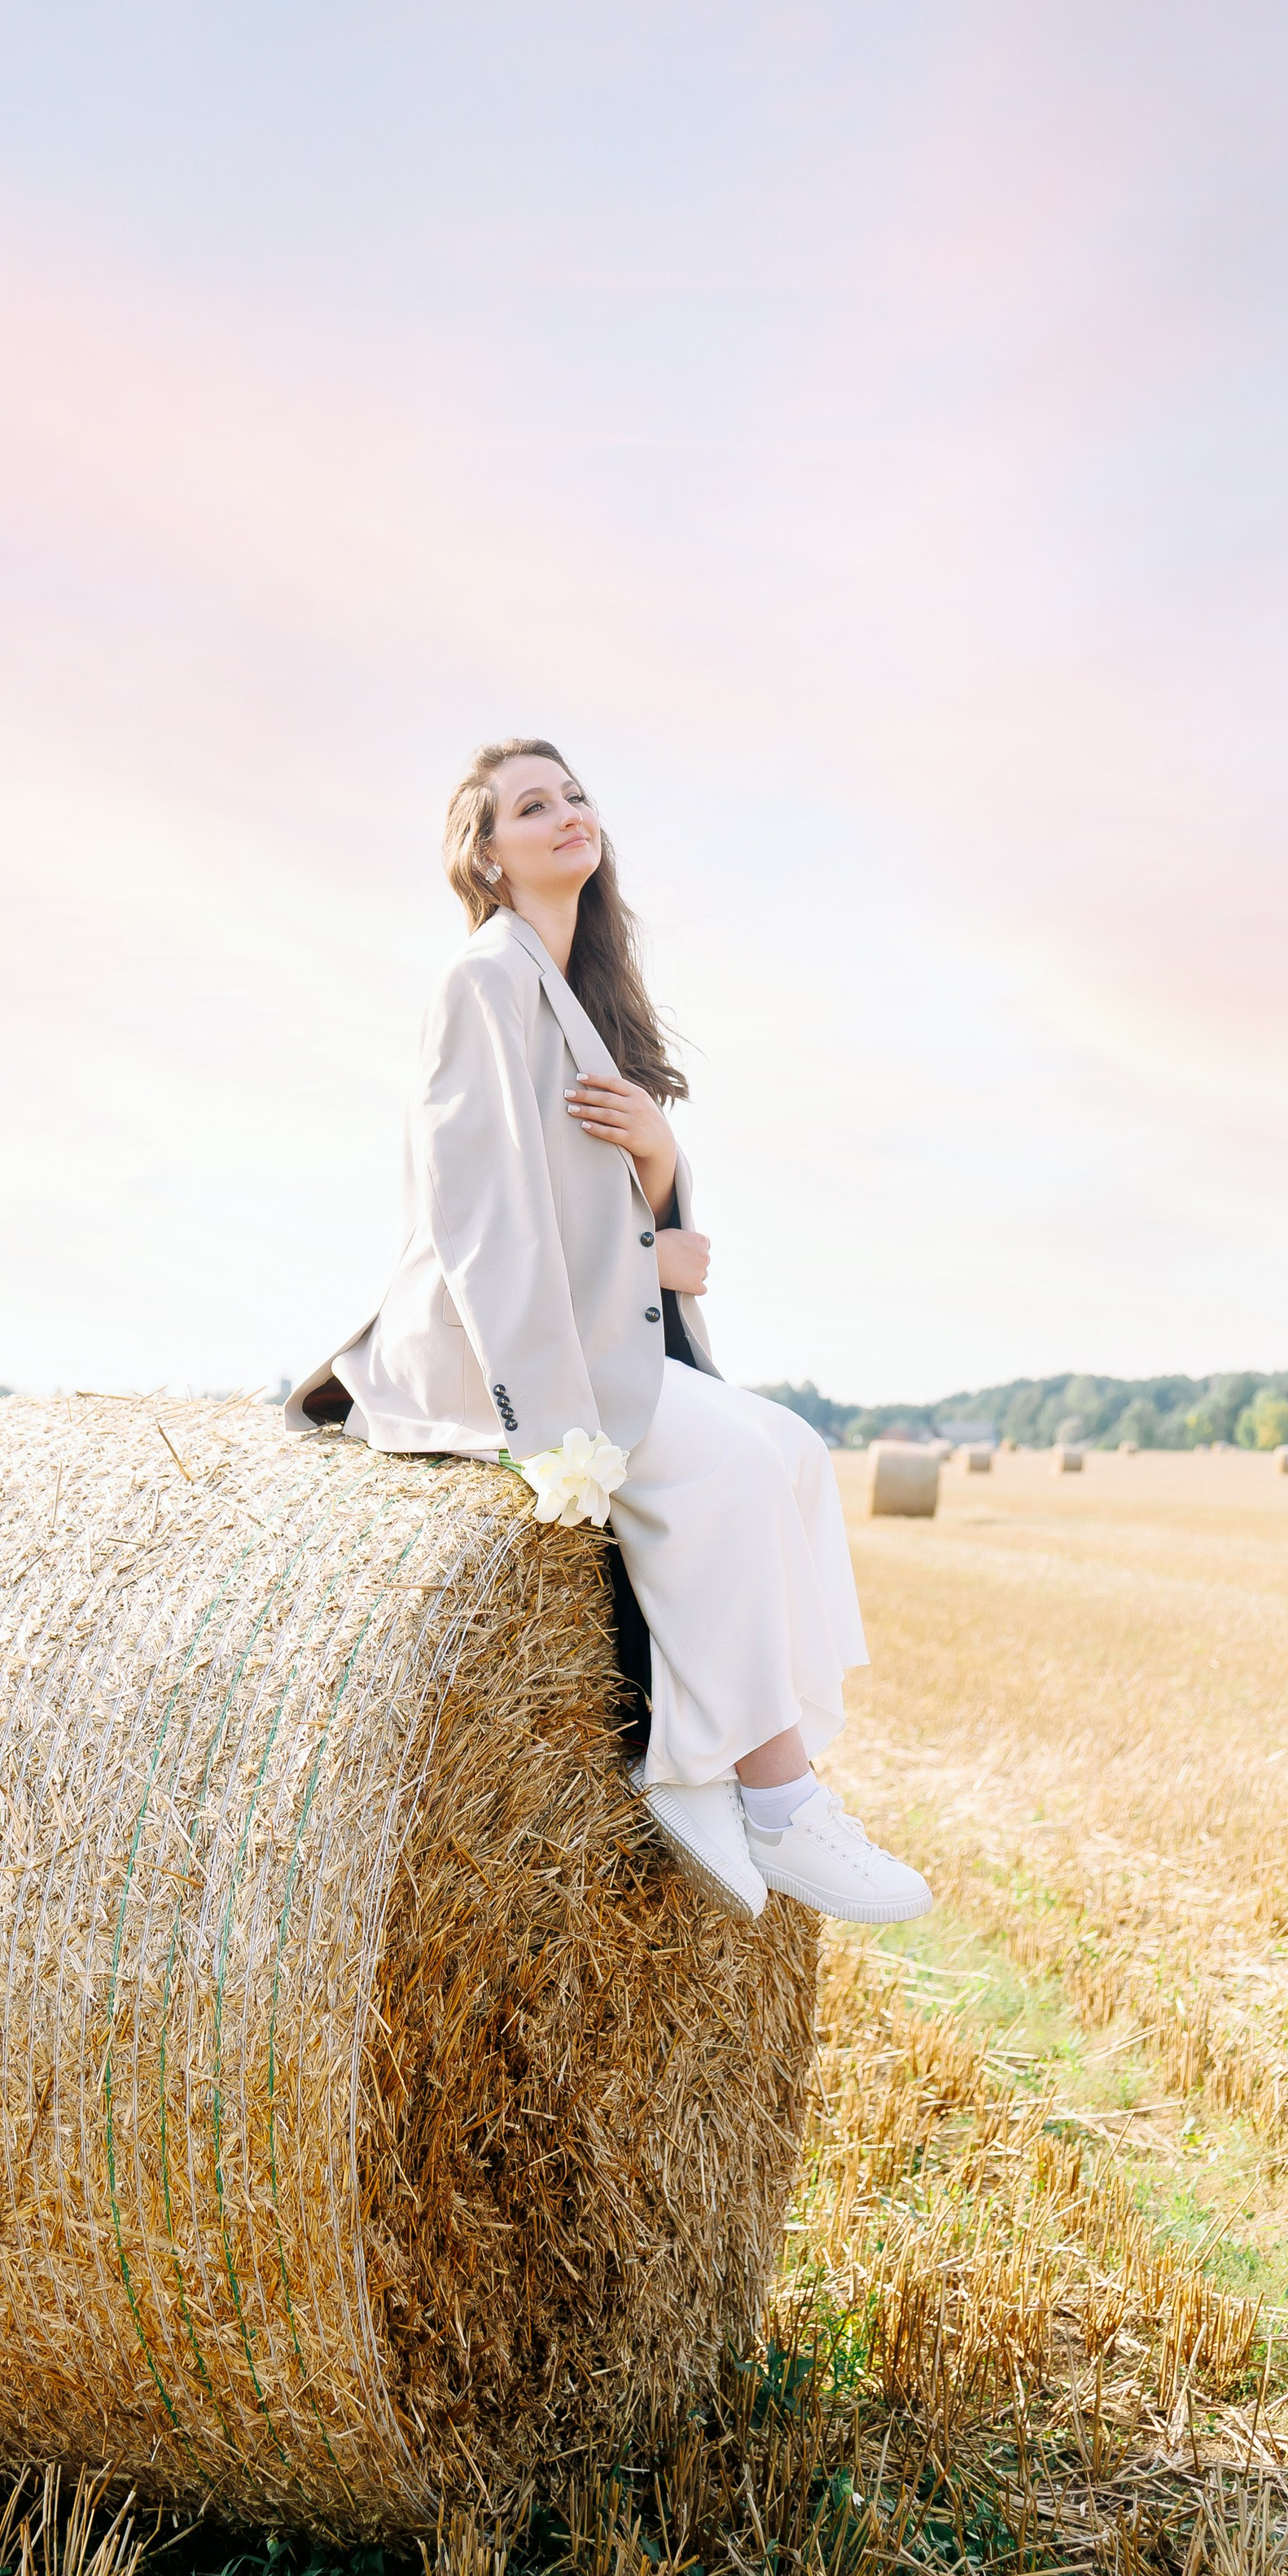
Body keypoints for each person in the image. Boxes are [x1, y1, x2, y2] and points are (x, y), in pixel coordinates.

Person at [288, 735, 930, 1926]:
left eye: (576, 794)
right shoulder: (480, 980)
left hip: (582, 1328)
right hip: (495, 1353)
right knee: (733, 1461)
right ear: (485, 856)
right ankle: (769, 1797)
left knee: (790, 1447)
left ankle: (745, 1775)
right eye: (533, 805)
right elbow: (485, 1216)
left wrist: (664, 1164)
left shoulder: (577, 988)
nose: (567, 813)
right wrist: (557, 1435)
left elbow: (605, 1208)